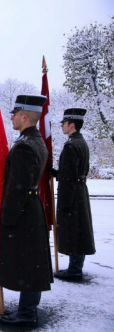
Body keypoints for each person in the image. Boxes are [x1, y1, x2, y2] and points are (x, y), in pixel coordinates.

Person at [0, 95, 53, 327]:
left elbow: (16, 188)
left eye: (14, 113)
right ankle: (27, 309)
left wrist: (7, 217)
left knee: (29, 263)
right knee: (33, 261)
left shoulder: (25, 147)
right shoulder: (35, 141)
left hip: (23, 212)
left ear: (25, 116)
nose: (11, 117)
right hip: (31, 208)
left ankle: (27, 314)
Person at [50, 108, 95, 281]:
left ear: (72, 125)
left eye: (64, 123)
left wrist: (65, 203)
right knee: (80, 230)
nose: (62, 125)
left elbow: (69, 177)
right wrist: (56, 173)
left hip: (73, 195)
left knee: (74, 231)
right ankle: (76, 266)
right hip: (81, 191)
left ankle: (74, 269)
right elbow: (75, 172)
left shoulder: (70, 145)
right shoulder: (81, 142)